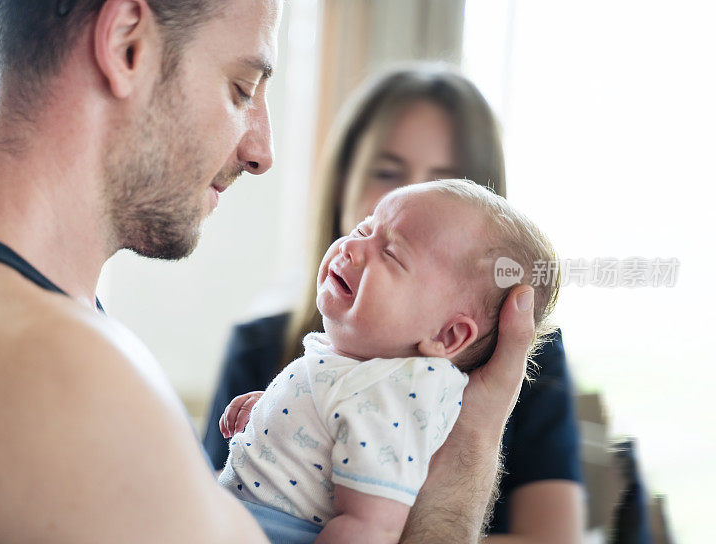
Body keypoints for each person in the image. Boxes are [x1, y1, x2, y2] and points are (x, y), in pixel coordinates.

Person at [0, 1, 534, 541]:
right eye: (241, 88)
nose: (260, 150)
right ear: (126, 44)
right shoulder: (63, 382)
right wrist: (472, 443)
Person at [204, 64, 586, 542]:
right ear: (343, 182)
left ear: (451, 335)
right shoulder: (280, 348)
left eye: (448, 182)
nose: (405, 194)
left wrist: (474, 441)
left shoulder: (400, 391)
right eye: (386, 173)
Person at [216, 180, 560, 544]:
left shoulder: (392, 397)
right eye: (364, 229)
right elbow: (324, 424)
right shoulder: (356, 371)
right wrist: (269, 409)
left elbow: (370, 527)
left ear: (447, 337)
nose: (351, 247)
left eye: (391, 254)